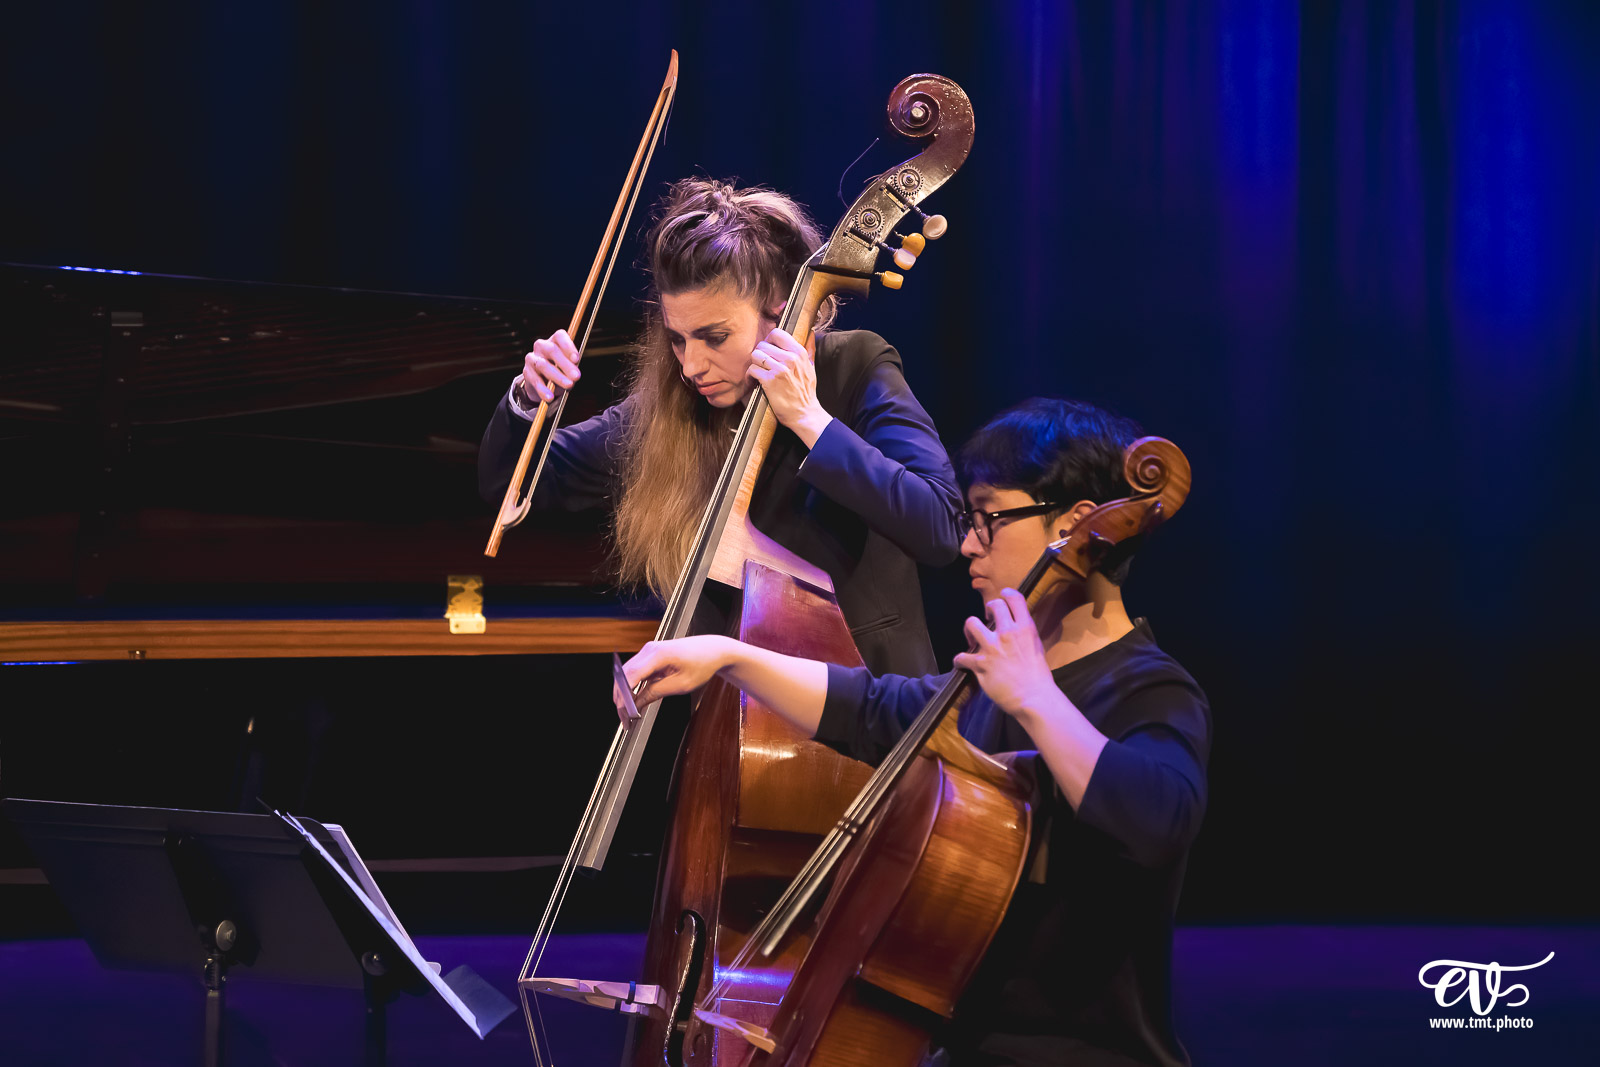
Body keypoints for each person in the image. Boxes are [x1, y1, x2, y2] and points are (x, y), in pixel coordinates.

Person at [617, 398, 1211, 1067]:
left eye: (989, 518)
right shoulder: (994, 683)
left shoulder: (1147, 688)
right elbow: (867, 707)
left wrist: (1038, 697)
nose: (966, 543)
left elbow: (1159, 820)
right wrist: (729, 658)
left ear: (1072, 526)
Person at [479, 178, 963, 676]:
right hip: (730, 723)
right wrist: (528, 397)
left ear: (780, 311)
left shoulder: (856, 367)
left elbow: (940, 528)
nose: (691, 366)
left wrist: (809, 419)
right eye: (678, 340)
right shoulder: (673, 409)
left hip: (873, 702)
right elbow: (511, 483)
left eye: (714, 337)